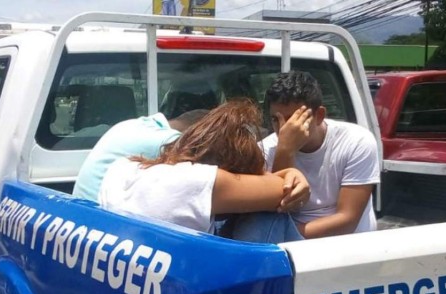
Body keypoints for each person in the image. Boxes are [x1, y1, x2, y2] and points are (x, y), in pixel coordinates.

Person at [98, 99, 310, 243]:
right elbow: (281, 191)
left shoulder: (123, 169)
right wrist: (286, 155)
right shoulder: (198, 182)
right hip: (191, 286)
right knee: (268, 215)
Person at [260, 70, 381, 239]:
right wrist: (285, 152)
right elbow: (275, 211)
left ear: (319, 116)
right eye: (275, 119)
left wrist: (284, 235)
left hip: (347, 244)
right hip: (290, 247)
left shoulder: (356, 141)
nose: (283, 129)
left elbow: (347, 219)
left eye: (293, 119)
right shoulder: (265, 150)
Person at [72, 110, 207, 202]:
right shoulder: (168, 141)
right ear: (197, 133)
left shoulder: (134, 124)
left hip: (85, 219)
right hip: (105, 223)